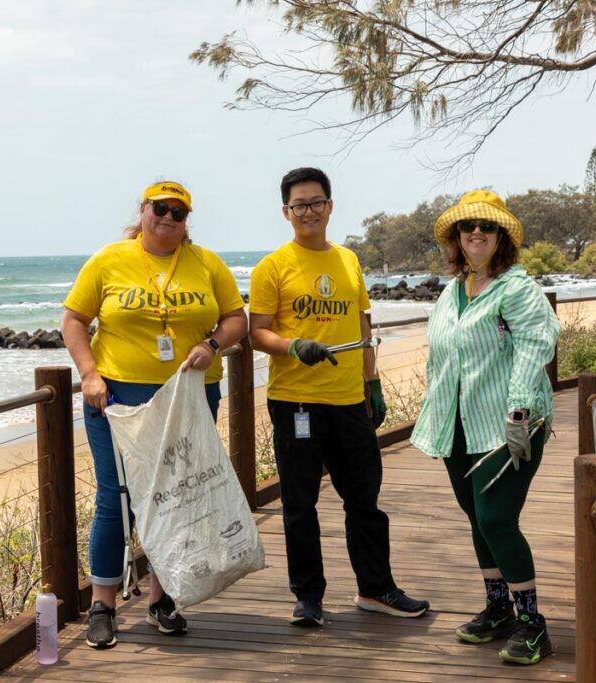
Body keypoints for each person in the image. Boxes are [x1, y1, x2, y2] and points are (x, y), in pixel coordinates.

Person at [61, 180, 248, 649]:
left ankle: (163, 599)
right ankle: (103, 604)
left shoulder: (205, 262)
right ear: (143, 210)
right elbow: (73, 321)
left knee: (177, 497)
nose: (168, 218)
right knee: (116, 497)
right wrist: (88, 375)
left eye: (178, 213)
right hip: (118, 396)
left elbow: (236, 318)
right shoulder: (109, 260)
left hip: (189, 394)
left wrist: (211, 345)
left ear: (187, 221)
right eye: (159, 209)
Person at [248, 167, 429, 627]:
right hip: (297, 403)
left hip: (350, 400)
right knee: (299, 505)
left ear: (330, 205)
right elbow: (256, 333)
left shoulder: (348, 261)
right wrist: (294, 347)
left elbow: (363, 325)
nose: (308, 211)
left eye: (316, 202)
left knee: (364, 500)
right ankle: (308, 597)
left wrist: (373, 384)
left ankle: (377, 589)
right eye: (299, 205)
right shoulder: (273, 266)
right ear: (286, 212)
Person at [411, 190, 561, 665]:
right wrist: (435, 418)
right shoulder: (452, 290)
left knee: (497, 518)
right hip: (458, 425)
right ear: (456, 238)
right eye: (467, 226)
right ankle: (498, 607)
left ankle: (533, 624)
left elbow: (537, 345)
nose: (476, 232)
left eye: (486, 226)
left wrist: (518, 410)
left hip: (507, 424)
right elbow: (442, 359)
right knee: (478, 518)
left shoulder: (517, 288)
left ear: (502, 238)